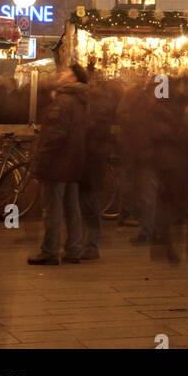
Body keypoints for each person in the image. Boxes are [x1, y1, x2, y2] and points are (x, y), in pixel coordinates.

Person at [28, 64, 89, 266]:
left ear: (72, 79)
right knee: (72, 208)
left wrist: (41, 161)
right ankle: (74, 249)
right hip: (74, 162)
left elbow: (54, 135)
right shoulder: (81, 101)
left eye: (65, 73)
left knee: (52, 209)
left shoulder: (63, 101)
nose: (60, 75)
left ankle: (50, 251)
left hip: (58, 163)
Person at [78, 77, 120, 260]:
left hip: (90, 161)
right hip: (90, 161)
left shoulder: (97, 108)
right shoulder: (101, 106)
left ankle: (91, 245)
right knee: (87, 204)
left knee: (90, 205)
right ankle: (86, 243)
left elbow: (92, 133)